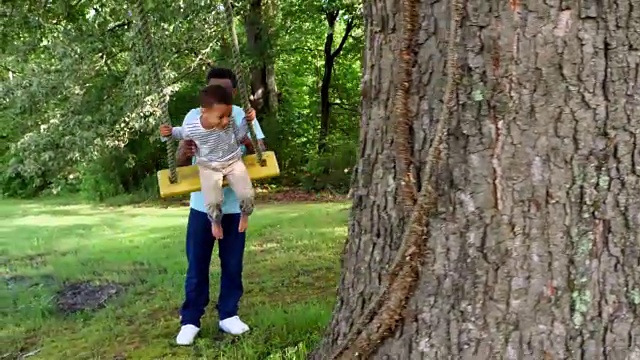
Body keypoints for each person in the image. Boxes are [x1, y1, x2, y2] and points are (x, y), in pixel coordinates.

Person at [175, 67, 266, 345]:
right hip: (202, 206)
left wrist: (251, 141)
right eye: (214, 88)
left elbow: (260, 149)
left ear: (234, 92)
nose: (220, 94)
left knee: (233, 264)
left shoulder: (239, 114)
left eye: (225, 90)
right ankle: (190, 320)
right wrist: (183, 151)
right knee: (197, 265)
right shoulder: (194, 116)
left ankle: (229, 314)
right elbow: (179, 163)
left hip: (234, 207)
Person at [160, 84, 255, 238]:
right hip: (209, 167)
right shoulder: (193, 128)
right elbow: (177, 133)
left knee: (247, 194)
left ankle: (245, 214)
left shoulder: (229, 122)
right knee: (213, 201)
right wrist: (166, 133)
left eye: (228, 115)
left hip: (233, 162)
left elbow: (239, 137)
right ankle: (215, 221)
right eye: (220, 117)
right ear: (204, 111)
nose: (226, 121)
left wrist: (247, 121)